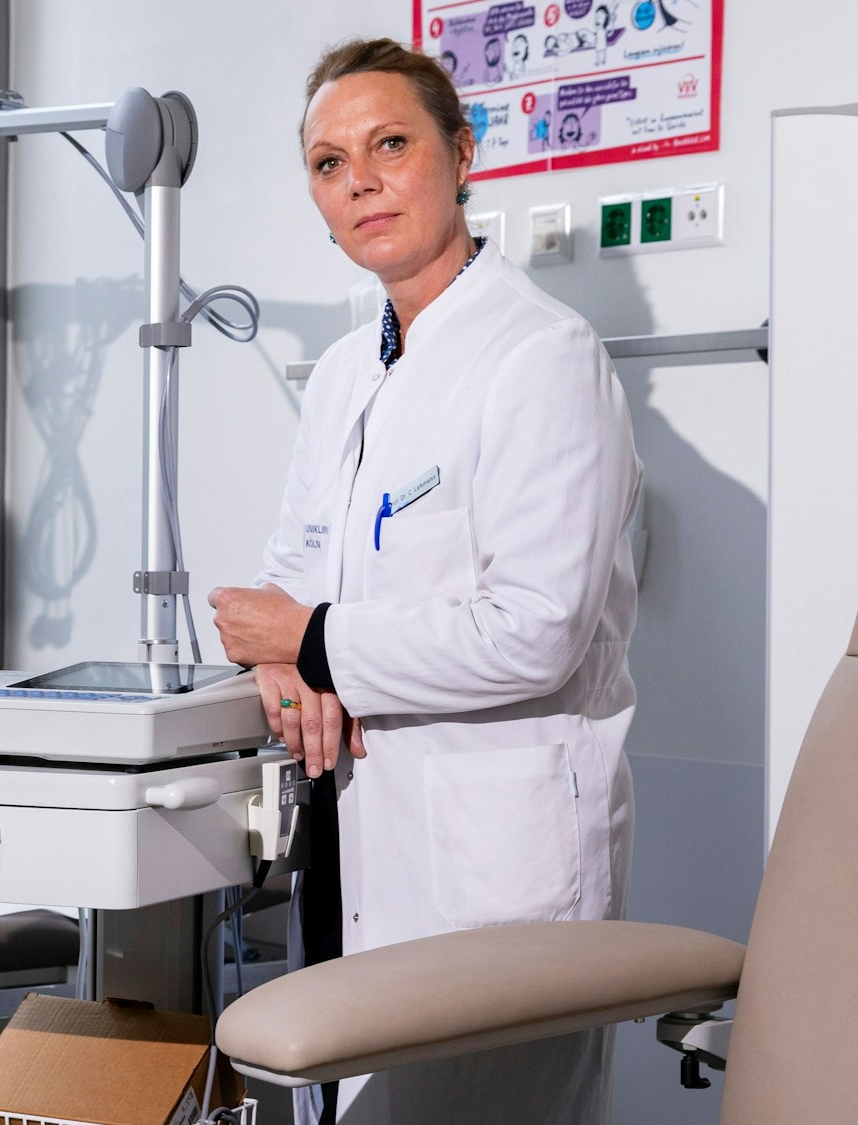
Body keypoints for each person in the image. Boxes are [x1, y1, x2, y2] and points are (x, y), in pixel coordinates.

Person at [208, 37, 639, 1125]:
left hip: (493, 850)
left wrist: (309, 642)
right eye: (326, 162)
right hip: (354, 823)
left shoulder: (541, 358)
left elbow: (532, 632)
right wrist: (292, 667)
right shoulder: (348, 371)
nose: (358, 179)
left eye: (388, 144)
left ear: (459, 153)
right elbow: (291, 573)